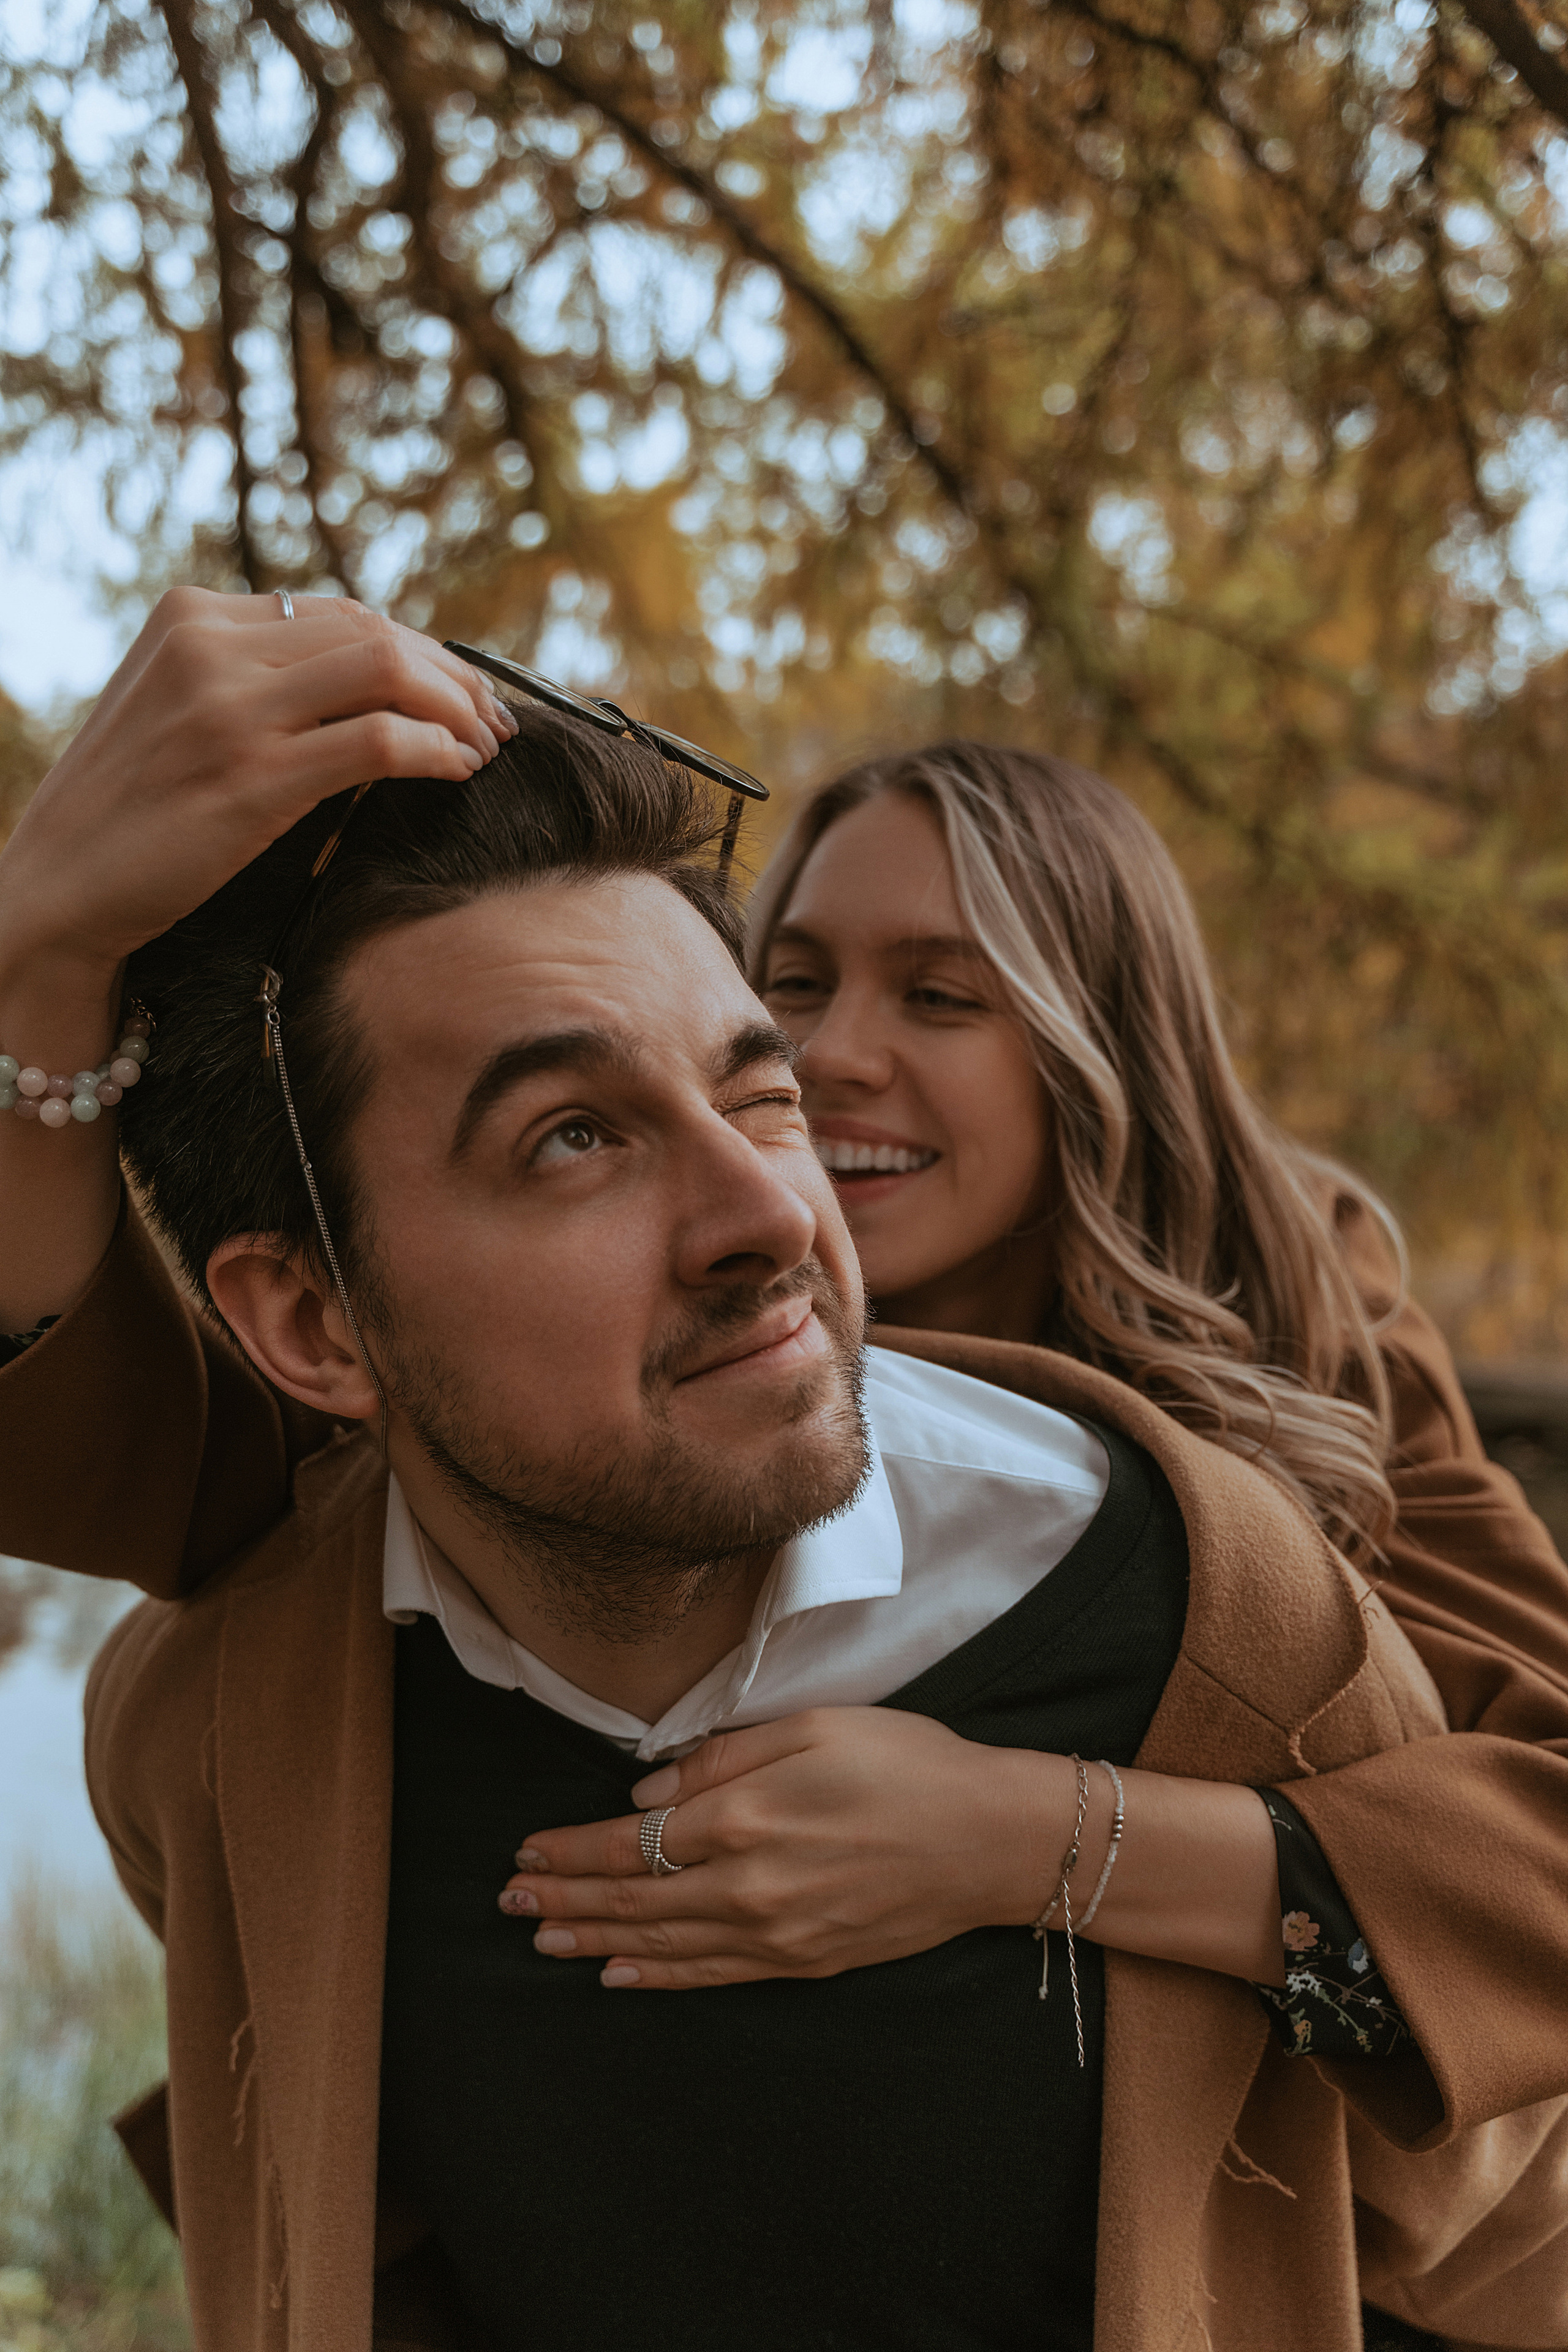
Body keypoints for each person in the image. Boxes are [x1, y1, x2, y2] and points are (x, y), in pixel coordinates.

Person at [0, 604, 1563, 2352]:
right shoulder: (405, 1478)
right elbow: (115, 1446)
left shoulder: (1265, 1458)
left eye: (944, 994)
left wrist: (1042, 1841)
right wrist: (40, 947)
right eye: (796, 989)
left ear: (1097, 1049)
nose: (830, 1068)